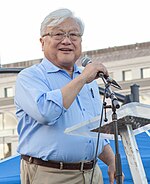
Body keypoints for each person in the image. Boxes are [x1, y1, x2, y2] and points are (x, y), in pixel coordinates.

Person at [15, 8, 124, 184]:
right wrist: (82, 79)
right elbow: (47, 113)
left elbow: (93, 130)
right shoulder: (29, 77)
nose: (67, 41)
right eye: (58, 34)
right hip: (50, 174)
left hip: (92, 173)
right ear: (42, 42)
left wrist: (111, 161)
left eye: (73, 35)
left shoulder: (88, 81)